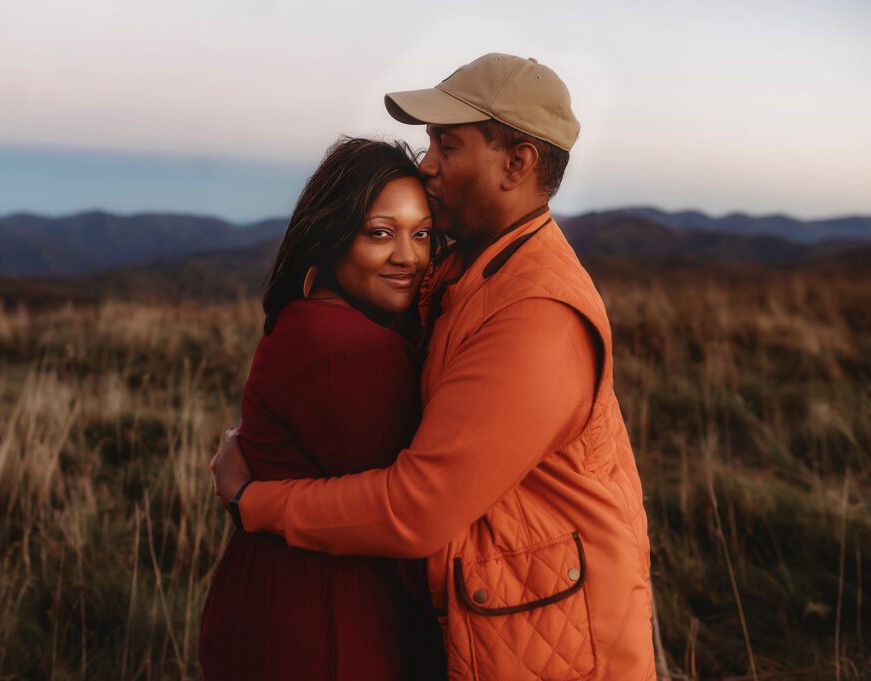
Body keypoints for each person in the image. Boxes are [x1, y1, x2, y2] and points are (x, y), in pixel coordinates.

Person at [213, 54, 657, 680]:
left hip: (551, 642)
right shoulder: (471, 271)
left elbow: (418, 509)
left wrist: (253, 501)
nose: (426, 164)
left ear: (518, 163)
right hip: (510, 618)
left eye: (447, 145)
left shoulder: (536, 314)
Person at [198, 137, 445, 681]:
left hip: (269, 598)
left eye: (422, 233)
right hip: (329, 625)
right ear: (332, 234)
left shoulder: (305, 319)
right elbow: (403, 522)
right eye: (380, 233)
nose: (409, 256)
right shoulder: (353, 350)